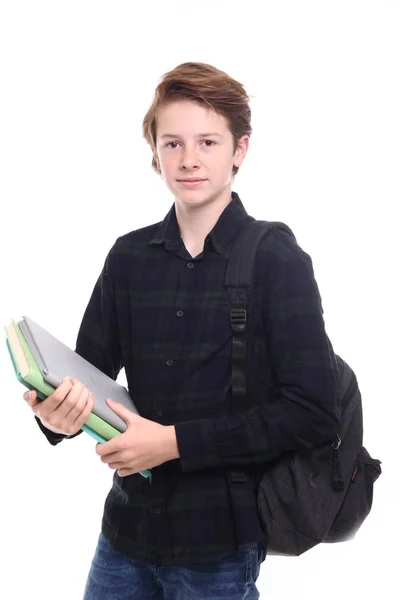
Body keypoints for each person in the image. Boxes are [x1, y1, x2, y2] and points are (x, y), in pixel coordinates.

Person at [23, 62, 339, 599]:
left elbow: (311, 413)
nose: (189, 159)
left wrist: (172, 443)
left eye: (208, 142)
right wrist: (57, 414)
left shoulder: (275, 259)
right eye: (172, 143)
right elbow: (88, 380)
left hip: (219, 549)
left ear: (239, 150)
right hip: (124, 536)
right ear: (154, 154)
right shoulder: (128, 258)